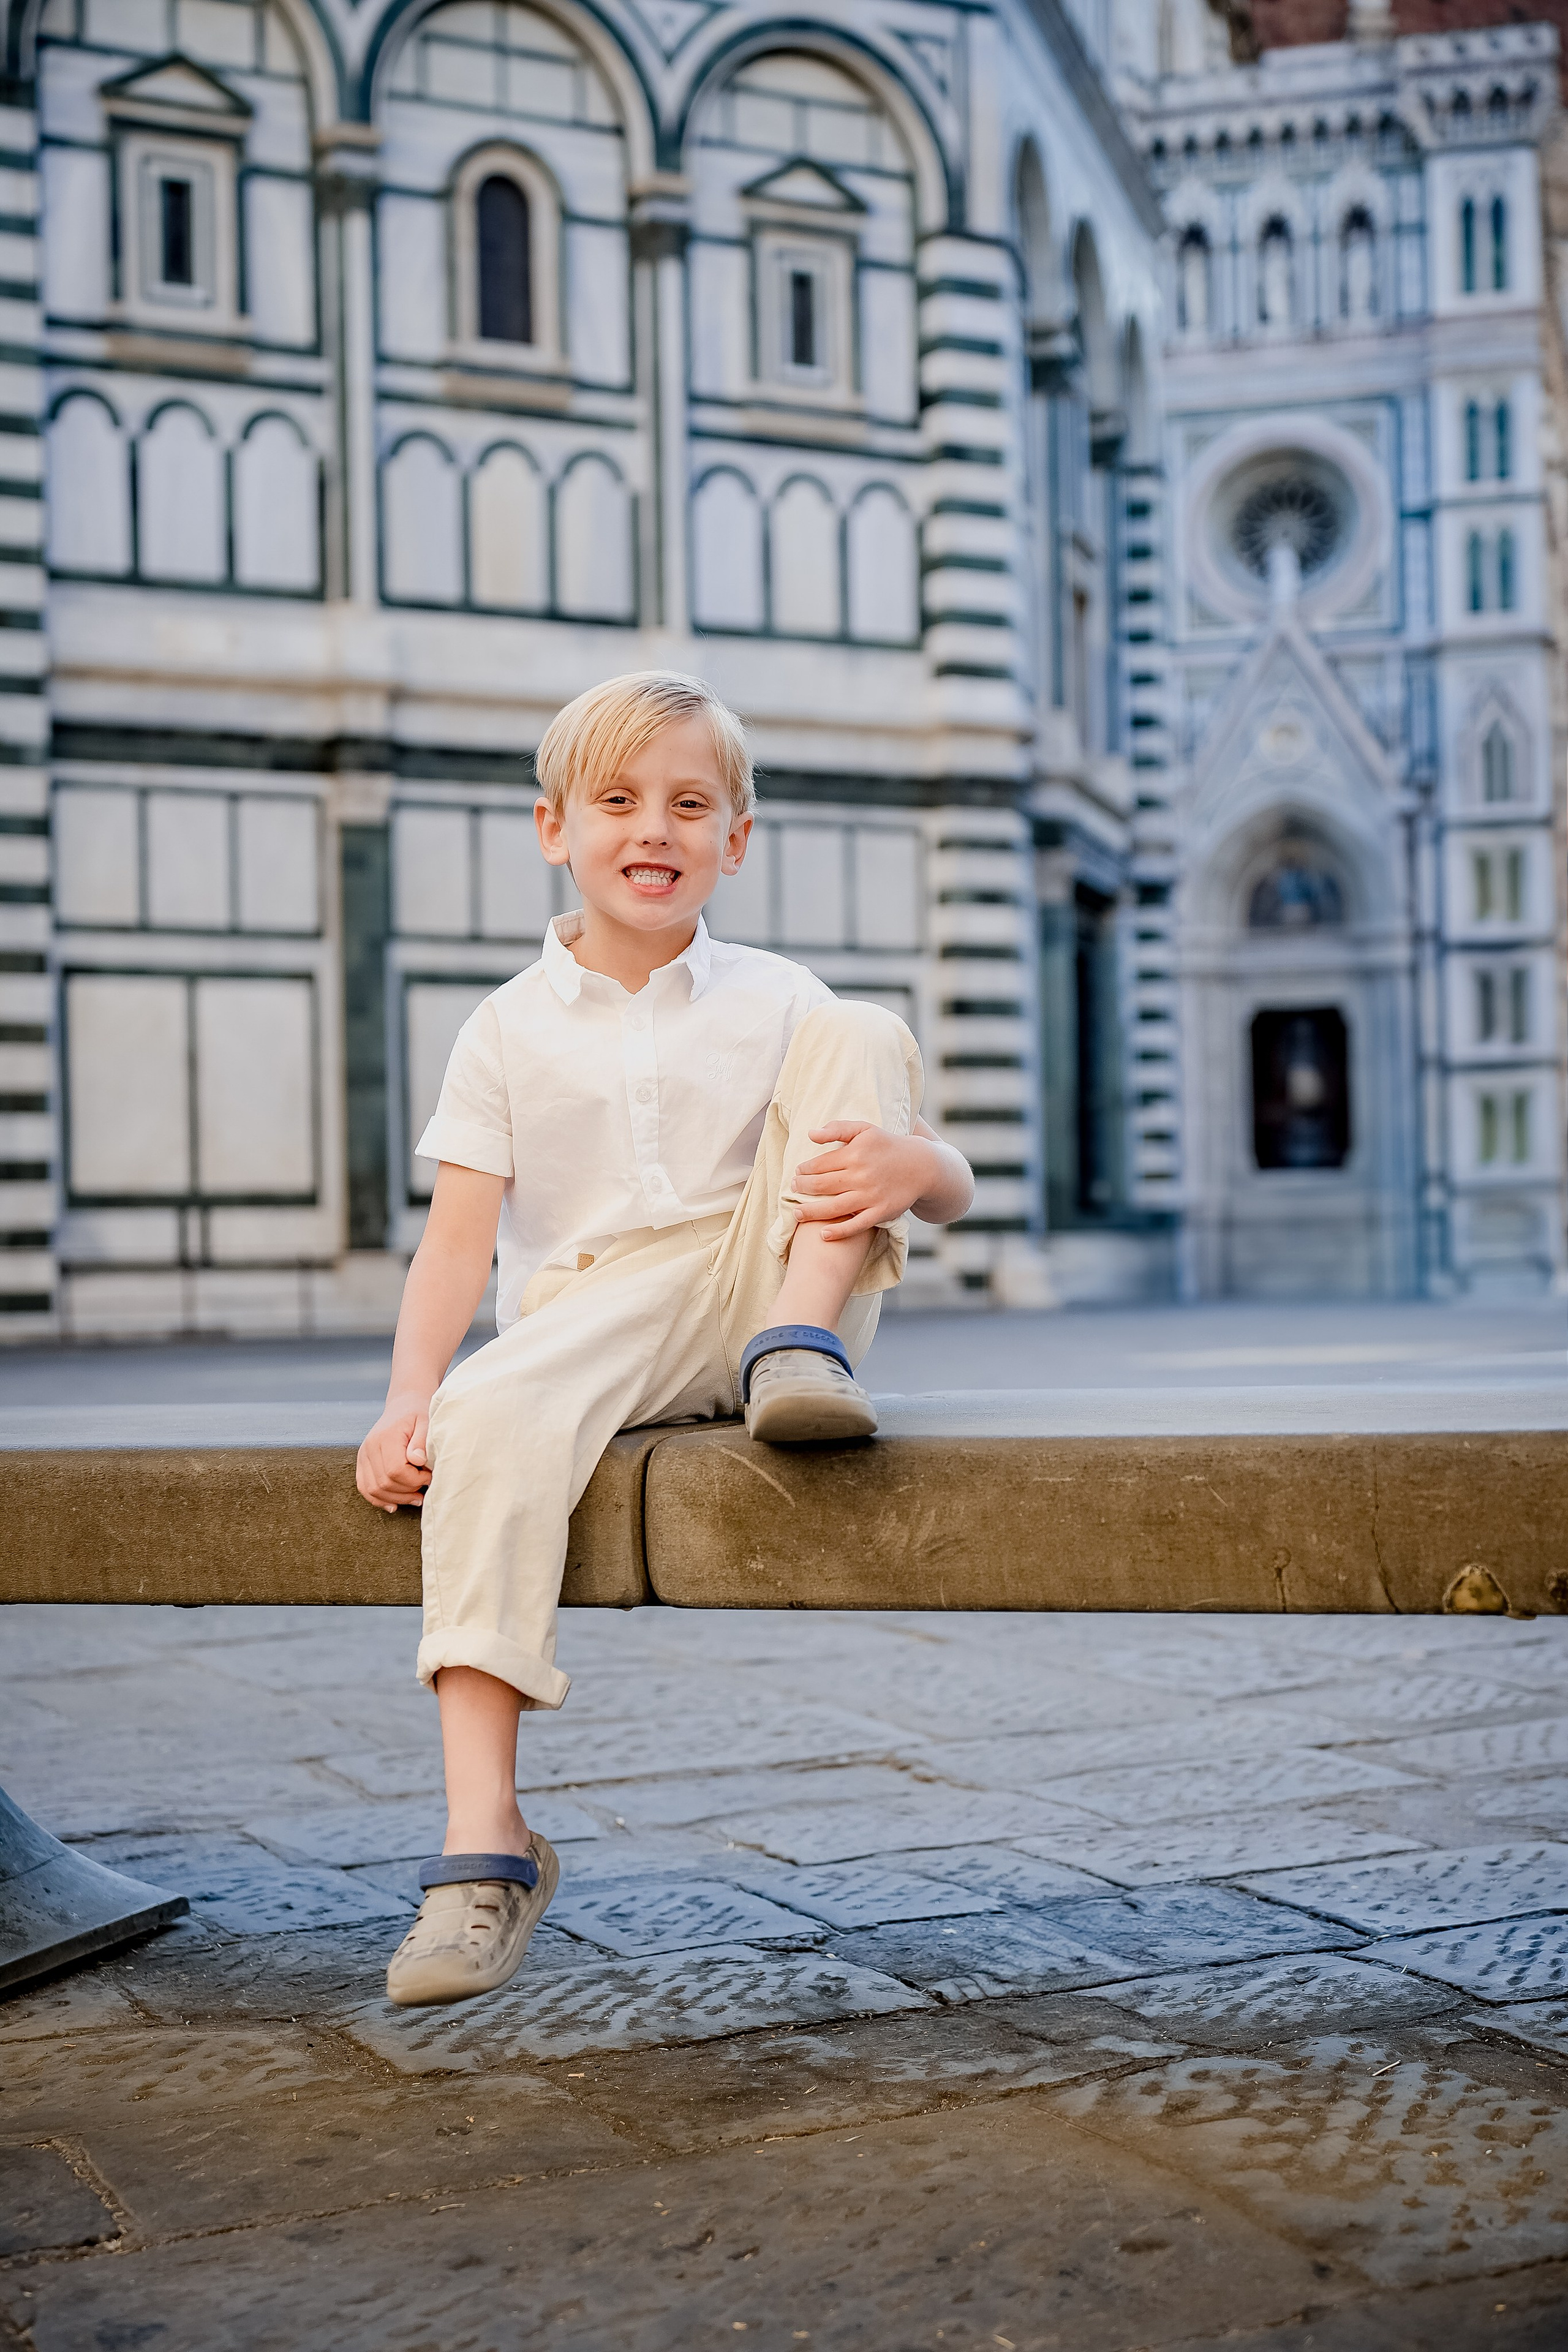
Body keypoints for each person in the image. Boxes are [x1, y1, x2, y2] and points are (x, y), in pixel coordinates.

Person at [355, 671, 974, 2008]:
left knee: (866, 1030)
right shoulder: (504, 1027)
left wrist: (914, 1177)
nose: (656, 828)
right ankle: (485, 1846)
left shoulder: (776, 996)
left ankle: (800, 1351)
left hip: (765, 1287)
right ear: (552, 829)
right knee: (483, 1423)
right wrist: (410, 1396)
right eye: (619, 801)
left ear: (734, 841)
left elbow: (943, 1170)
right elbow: (457, 1240)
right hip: (591, 1318)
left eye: (691, 804)